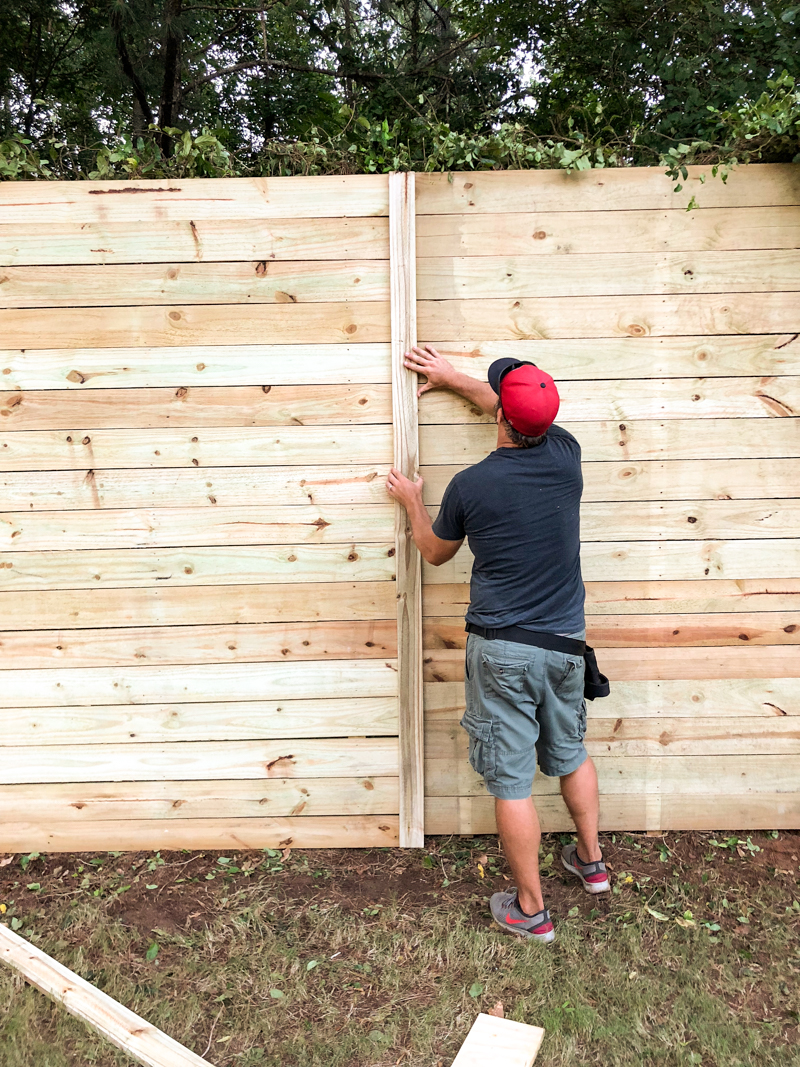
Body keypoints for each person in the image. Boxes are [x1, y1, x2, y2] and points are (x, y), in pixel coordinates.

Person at [386, 344, 610, 943]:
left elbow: (435, 552)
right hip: (566, 645)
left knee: (512, 782)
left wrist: (412, 504)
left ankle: (530, 910)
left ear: (503, 422)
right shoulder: (567, 455)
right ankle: (591, 865)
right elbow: (510, 409)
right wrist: (454, 377)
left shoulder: (471, 486)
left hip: (503, 649)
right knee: (571, 753)